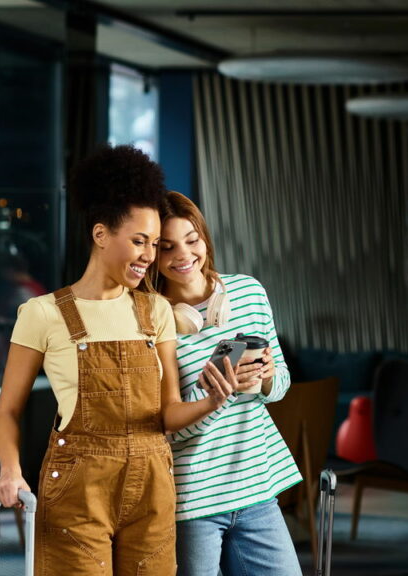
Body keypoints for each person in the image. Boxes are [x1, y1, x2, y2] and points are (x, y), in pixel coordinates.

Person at [0, 146, 233, 574]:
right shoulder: (43, 313)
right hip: (77, 490)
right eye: (138, 241)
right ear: (101, 235)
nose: (147, 255)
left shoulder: (155, 310)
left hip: (153, 489)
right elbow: (8, 411)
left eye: (154, 244)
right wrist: (10, 471)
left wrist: (212, 401)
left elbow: (167, 413)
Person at [152, 192, 302, 576]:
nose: (183, 255)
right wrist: (217, 391)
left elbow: (282, 385)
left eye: (192, 239)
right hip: (192, 502)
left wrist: (266, 379)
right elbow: (166, 431)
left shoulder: (249, 292)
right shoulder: (151, 321)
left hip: (257, 490)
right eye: (166, 247)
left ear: (204, 238)